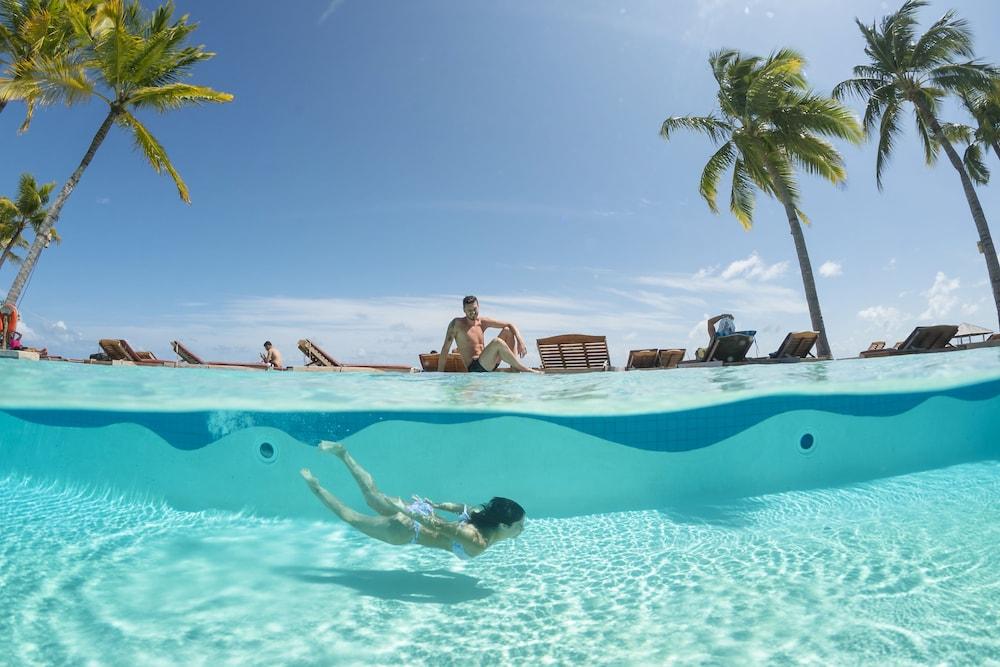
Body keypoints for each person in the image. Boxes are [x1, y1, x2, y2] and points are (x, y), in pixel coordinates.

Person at [300, 441, 526, 559]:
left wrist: (435, 506)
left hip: (421, 512)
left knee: (372, 496)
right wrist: (407, 513)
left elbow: (461, 508)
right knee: (351, 517)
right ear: (503, 525)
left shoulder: (481, 517)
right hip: (408, 530)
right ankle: (315, 487)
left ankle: (343, 454)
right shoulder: (478, 541)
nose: (522, 530)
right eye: (519, 526)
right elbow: (440, 527)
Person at [437, 295, 538, 373]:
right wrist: (439, 374)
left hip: (489, 363)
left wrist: (521, 342)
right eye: (469, 310)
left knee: (508, 330)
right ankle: (524, 369)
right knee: (496, 342)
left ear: (478, 307)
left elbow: (510, 324)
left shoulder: (482, 322)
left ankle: (515, 369)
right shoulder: (456, 324)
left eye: (475, 309)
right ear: (464, 310)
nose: (473, 313)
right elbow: (445, 349)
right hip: (475, 368)